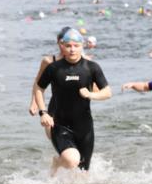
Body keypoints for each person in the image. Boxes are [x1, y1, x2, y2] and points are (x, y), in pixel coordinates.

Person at [33, 28, 111, 173]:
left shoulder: (91, 67)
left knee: (83, 174)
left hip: (85, 126)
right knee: (72, 160)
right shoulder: (54, 68)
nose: (72, 50)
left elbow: (107, 92)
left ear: (82, 46)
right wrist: (43, 112)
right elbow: (39, 88)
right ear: (61, 46)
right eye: (68, 46)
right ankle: (60, 162)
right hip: (60, 124)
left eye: (76, 46)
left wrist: (91, 95)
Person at [29, 26, 97, 140]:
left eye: (73, 44)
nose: (66, 47)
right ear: (59, 42)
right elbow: (38, 83)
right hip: (55, 109)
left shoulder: (87, 62)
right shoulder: (49, 61)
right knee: (60, 144)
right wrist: (34, 102)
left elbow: (97, 90)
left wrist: (91, 91)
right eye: (62, 43)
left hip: (79, 112)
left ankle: (61, 157)